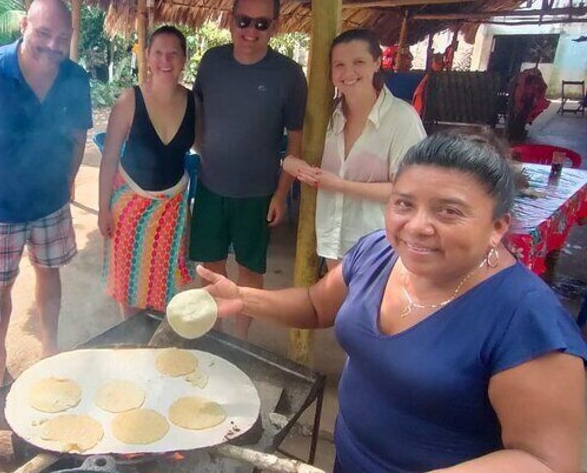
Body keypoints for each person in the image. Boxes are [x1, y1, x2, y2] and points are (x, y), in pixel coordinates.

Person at [202, 130, 587, 472]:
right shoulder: (378, 252)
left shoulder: (526, 319)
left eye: (448, 211)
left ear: (497, 227)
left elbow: (548, 460)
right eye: (404, 204)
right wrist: (243, 298)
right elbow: (317, 305)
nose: (417, 225)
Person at [0, 0, 92, 396]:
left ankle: (50, 347)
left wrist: (70, 181)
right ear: (24, 25)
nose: (53, 45)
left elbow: (78, 137)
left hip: (50, 200)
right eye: (43, 33)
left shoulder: (75, 78)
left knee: (49, 271)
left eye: (62, 37)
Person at [189, 0, 307, 339]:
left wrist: (282, 193)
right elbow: (196, 111)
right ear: (230, 21)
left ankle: (240, 341)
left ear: (275, 26)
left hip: (258, 193)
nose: (250, 32)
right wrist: (201, 149)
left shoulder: (288, 75)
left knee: (250, 270)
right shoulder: (212, 61)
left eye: (261, 24)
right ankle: (214, 334)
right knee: (210, 267)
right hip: (210, 186)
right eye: (243, 21)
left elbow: (296, 140)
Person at [284, 29, 426, 270]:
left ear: (377, 63)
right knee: (339, 307)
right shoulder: (327, 117)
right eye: (339, 65)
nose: (348, 72)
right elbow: (301, 157)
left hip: (380, 245)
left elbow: (410, 191)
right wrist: (290, 163)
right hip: (332, 239)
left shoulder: (401, 118)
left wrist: (339, 185)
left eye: (358, 62)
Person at [98, 25, 195, 317]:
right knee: (127, 281)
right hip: (129, 205)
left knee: (166, 282)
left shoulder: (194, 102)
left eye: (173, 54)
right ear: (148, 57)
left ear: (184, 59)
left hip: (173, 208)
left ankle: (154, 349)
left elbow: (207, 146)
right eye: (158, 54)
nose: (165, 61)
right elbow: (110, 157)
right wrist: (103, 209)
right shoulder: (129, 100)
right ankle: (131, 342)